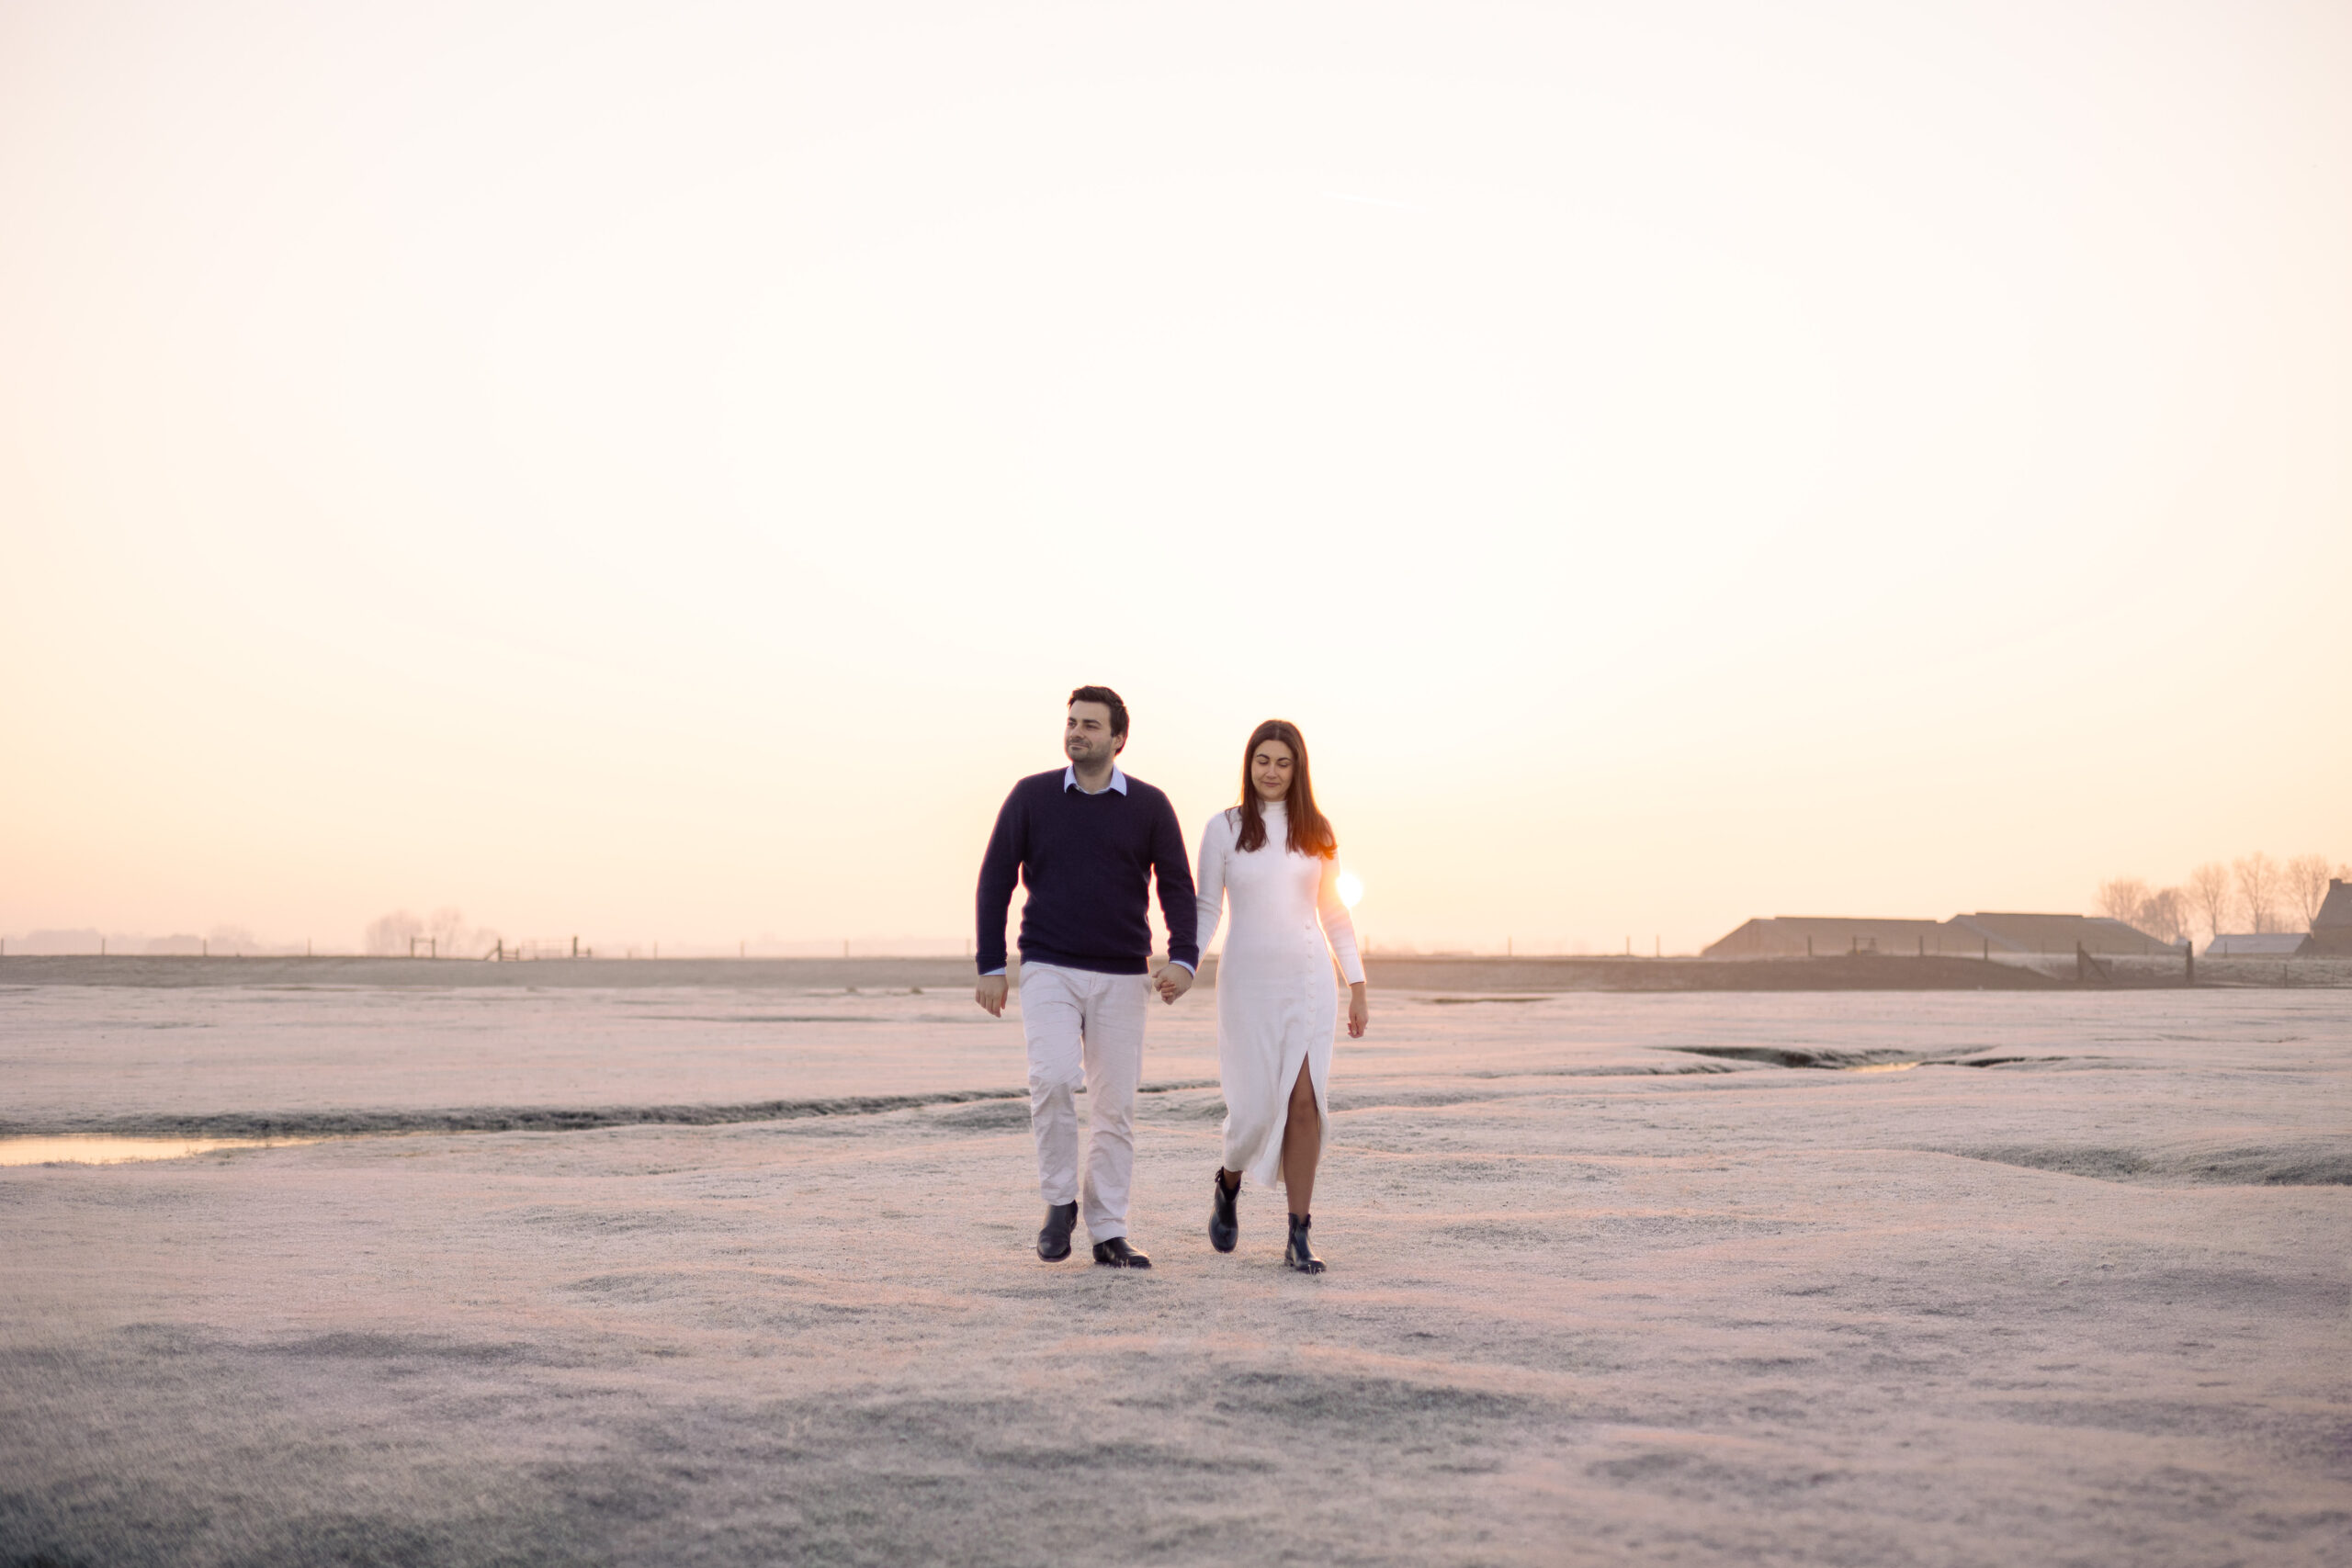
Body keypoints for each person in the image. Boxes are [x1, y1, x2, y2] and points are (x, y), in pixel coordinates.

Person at [975, 686, 1199, 1269]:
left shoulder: (1149, 805)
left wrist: (1184, 956)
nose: (1077, 733)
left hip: (1124, 974)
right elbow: (995, 878)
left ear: (1118, 738)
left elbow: (1177, 884)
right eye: (1071, 723)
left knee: (1114, 1106)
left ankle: (1108, 1231)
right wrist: (991, 967)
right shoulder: (1031, 796)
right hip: (1048, 964)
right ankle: (1058, 1201)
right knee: (1050, 1079)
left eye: (1091, 726)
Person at [1193, 718, 1367, 1273]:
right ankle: (1228, 1180)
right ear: (1249, 764)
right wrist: (1182, 963)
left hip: (1309, 982)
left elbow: (1336, 914)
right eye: (1262, 760)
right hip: (1245, 985)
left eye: (1283, 762)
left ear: (1298, 769)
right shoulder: (1224, 828)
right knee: (1251, 1111)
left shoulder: (1316, 829)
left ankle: (1299, 1234)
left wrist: (1357, 984)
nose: (1271, 771)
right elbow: (1206, 910)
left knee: (1304, 1102)